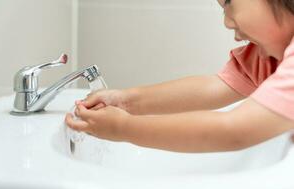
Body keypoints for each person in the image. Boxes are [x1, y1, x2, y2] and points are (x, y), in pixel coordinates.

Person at [65, 0, 294, 153]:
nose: (226, 21)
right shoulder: (270, 55)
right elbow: (217, 85)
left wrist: (123, 128)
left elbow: (235, 130)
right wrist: (124, 100)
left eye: (229, 3)